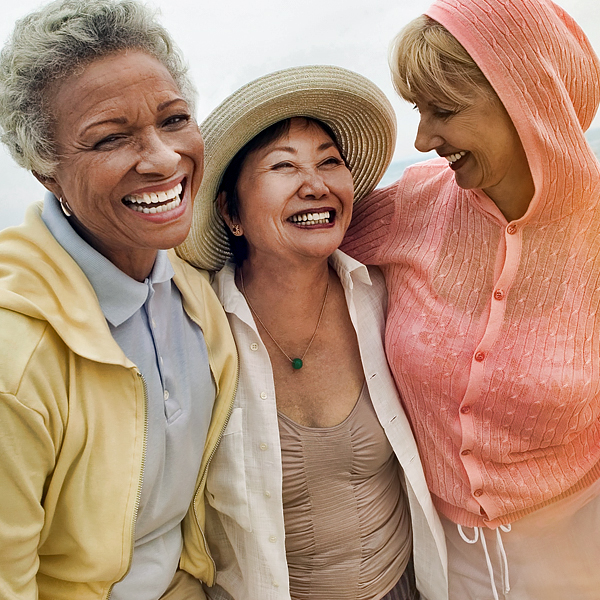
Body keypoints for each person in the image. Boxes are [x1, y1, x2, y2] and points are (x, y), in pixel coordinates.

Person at [342, 0, 600, 598]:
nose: (424, 138)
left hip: (581, 556)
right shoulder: (413, 205)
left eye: (444, 112)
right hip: (441, 561)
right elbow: (294, 242)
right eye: (419, 111)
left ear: (527, 102)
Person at [176, 65, 448, 600]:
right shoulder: (195, 325)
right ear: (231, 210)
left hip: (407, 585)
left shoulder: (383, 294)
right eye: (283, 166)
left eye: (330, 162)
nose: (316, 184)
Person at [0, 1, 237, 599]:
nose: (163, 159)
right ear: (46, 171)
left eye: (175, 119)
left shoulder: (187, 282)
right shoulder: (15, 354)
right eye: (110, 138)